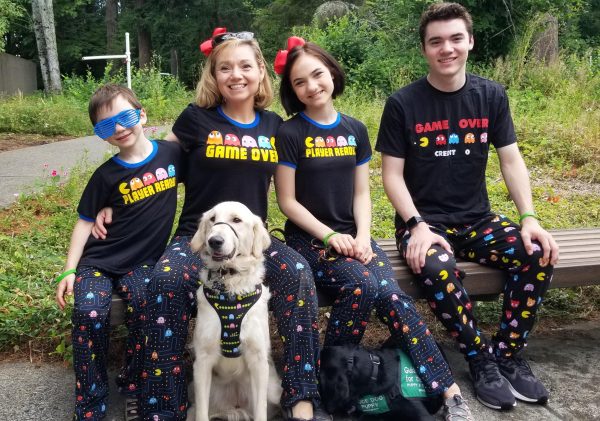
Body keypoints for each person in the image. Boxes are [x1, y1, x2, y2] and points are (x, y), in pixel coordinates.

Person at [93, 29, 327, 421]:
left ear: (260, 73)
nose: (235, 75)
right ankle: (163, 406)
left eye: (245, 66)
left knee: (299, 273)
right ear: (213, 76)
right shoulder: (195, 119)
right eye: (224, 68)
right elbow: (155, 163)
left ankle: (302, 399)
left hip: (252, 240)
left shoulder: (275, 125)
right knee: (165, 283)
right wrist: (112, 200)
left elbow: (300, 181)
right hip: (197, 237)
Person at [273, 37, 473, 420]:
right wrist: (332, 237)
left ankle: (447, 391)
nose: (312, 86)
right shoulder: (291, 133)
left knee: (393, 296)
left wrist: (363, 237)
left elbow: (362, 192)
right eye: (300, 82)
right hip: (311, 240)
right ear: (293, 91)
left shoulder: (355, 129)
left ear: (331, 72)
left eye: (317, 74)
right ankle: (331, 373)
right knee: (362, 285)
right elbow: (288, 202)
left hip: (355, 234)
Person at [376, 2, 559, 411]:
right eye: (436, 41)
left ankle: (507, 356)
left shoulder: (491, 95)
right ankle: (479, 360)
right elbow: (391, 176)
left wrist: (529, 218)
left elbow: (511, 160)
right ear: (424, 49)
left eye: (456, 38)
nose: (447, 48)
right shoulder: (403, 103)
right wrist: (417, 225)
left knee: (537, 253)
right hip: (423, 223)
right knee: (436, 267)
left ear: (470, 42)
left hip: (477, 219)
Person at [55, 83, 184, 421]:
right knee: (90, 314)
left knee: (147, 304)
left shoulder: (171, 156)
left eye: (126, 117)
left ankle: (134, 384)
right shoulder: (106, 175)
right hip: (98, 262)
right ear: (99, 134)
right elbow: (84, 223)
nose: (120, 129)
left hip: (142, 264)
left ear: (142, 114)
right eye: (106, 126)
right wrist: (69, 271)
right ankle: (90, 402)